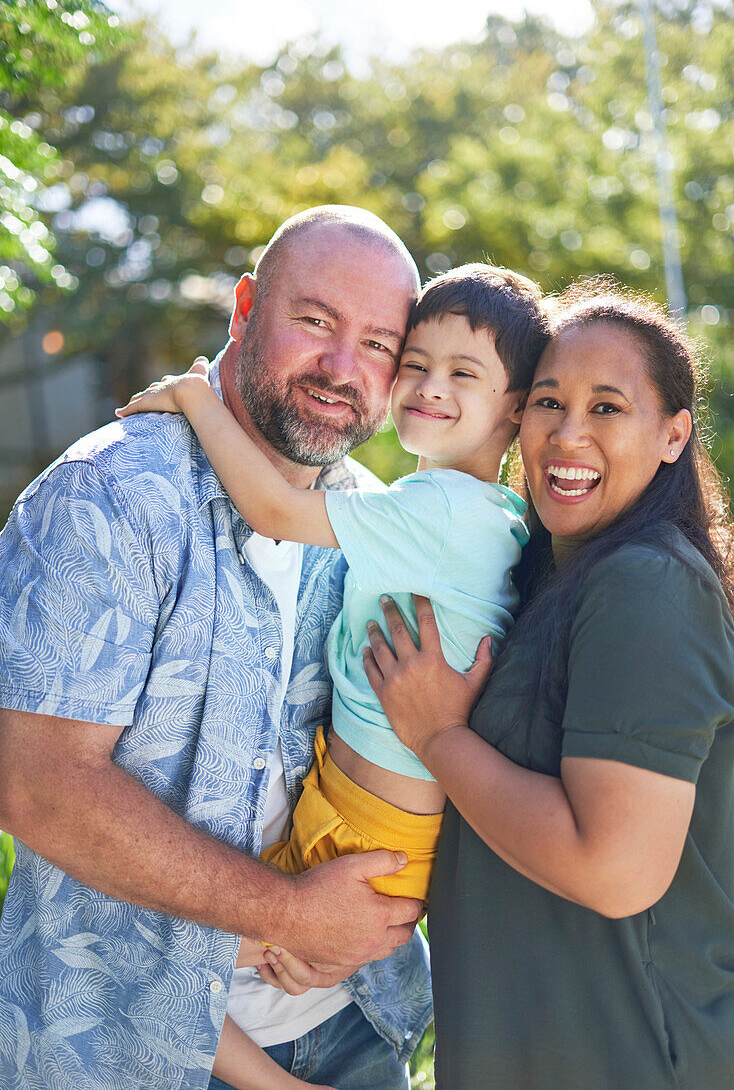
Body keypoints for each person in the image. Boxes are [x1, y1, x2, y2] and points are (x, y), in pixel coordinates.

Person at [0, 206, 433, 1090]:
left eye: (380, 344)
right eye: (315, 321)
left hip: (350, 1025)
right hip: (121, 1047)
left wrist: (346, 929)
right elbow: (36, 784)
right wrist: (289, 913)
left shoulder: (377, 522)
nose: (342, 369)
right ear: (245, 308)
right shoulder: (111, 496)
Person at [117, 262, 551, 1088]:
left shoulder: (441, 513)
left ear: (517, 406)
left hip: (370, 828)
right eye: (414, 363)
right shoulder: (476, 514)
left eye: (464, 374)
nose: (427, 387)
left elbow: (274, 510)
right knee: (250, 954)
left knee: (171, 955)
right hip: (369, 813)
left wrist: (196, 397)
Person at [363, 281, 734, 1088]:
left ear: (673, 436)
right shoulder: (537, 575)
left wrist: (440, 737)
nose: (568, 436)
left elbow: (615, 868)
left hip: (626, 1057)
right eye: (546, 402)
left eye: (607, 408)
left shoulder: (649, 585)